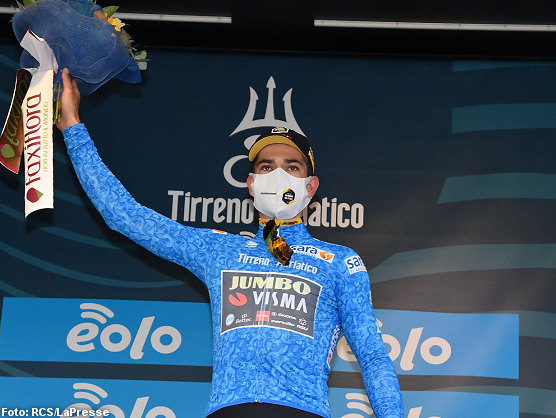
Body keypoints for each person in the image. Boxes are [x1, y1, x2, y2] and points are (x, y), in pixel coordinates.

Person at [56, 68, 404, 418]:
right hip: (227, 409)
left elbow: (373, 355)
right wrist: (73, 127)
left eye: (292, 167)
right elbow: (125, 216)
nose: (278, 175)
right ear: (251, 184)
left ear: (310, 187)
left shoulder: (339, 262)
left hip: (304, 410)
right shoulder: (220, 251)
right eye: (266, 167)